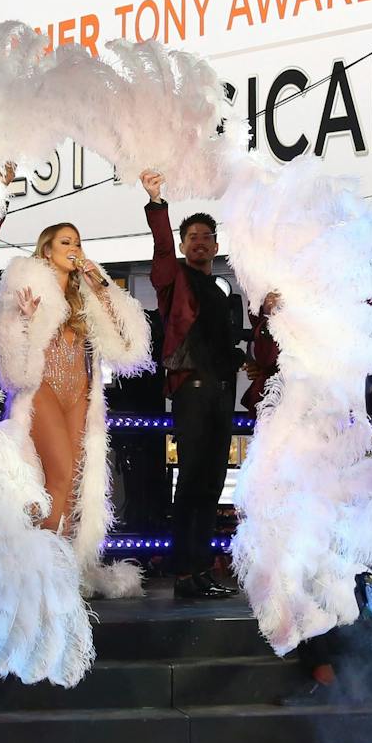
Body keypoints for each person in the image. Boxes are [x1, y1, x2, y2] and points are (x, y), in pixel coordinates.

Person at [0, 221, 151, 587]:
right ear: (47, 250)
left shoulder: (86, 295)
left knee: (76, 483)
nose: (74, 248)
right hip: (43, 388)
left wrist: (101, 287)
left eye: (77, 242)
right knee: (59, 475)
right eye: (65, 242)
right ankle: (43, 570)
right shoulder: (24, 284)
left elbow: (128, 344)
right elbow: (2, 347)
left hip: (80, 392)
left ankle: (63, 564)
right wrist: (21, 318)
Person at [139, 168, 243, 599]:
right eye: (192, 237)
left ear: (216, 246)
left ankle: (200, 569)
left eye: (206, 237)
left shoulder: (220, 290)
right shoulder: (174, 278)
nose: (199, 242)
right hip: (192, 388)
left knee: (212, 483)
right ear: (183, 245)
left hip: (221, 390)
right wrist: (157, 203)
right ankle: (184, 573)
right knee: (193, 480)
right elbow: (162, 247)